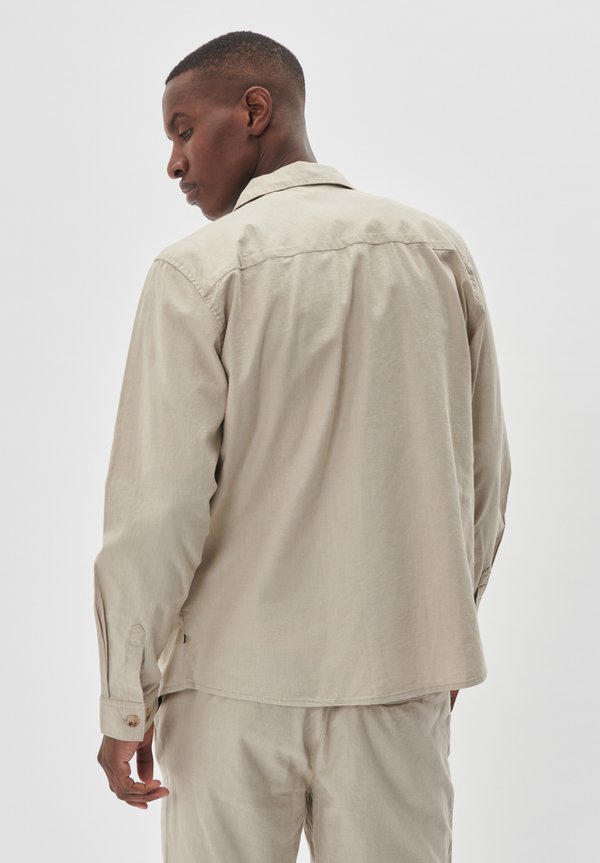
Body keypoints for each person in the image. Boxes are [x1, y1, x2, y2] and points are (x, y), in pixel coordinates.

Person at [94, 29, 511, 863]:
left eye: (183, 129)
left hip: (229, 694)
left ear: (256, 110)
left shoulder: (197, 272)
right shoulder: (435, 254)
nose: (174, 163)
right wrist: (438, 627)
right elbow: (482, 473)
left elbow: (157, 511)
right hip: (395, 679)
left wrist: (124, 700)